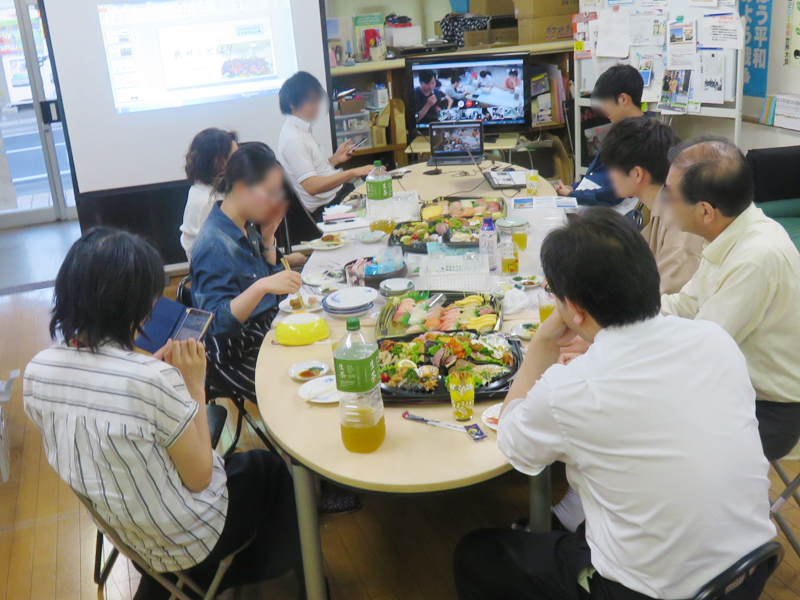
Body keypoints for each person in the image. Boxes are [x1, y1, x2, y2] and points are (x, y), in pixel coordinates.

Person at [453, 208, 775, 600]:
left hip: (651, 593)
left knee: (475, 553)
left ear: (574, 309)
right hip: (750, 570)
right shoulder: (713, 339)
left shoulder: (574, 387)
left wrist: (541, 344)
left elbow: (513, 443)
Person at [23, 228, 303, 600]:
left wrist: (155, 375)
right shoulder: (150, 381)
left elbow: (101, 413)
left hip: (129, 537)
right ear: (134, 305)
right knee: (268, 469)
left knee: (239, 467)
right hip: (189, 541)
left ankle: (172, 584)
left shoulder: (39, 370)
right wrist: (193, 384)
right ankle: (299, 578)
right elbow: (201, 477)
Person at [661, 138, 800, 461]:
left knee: (639, 429)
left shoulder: (755, 258)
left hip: (769, 410)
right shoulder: (732, 232)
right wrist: (617, 319)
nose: (665, 201)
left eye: (670, 195)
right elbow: (684, 306)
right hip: (734, 387)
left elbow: (700, 351)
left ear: (705, 211)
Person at [191, 142, 302, 403]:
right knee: (297, 393)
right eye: (270, 193)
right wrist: (262, 286)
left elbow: (273, 292)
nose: (275, 201)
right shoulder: (213, 244)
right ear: (241, 188)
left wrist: (268, 241)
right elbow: (215, 323)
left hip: (263, 329)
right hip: (235, 352)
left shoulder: (245, 225)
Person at [598, 117, 704, 293]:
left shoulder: (679, 224)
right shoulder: (654, 203)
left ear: (637, 174)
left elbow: (665, 297)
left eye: (612, 168)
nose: (609, 176)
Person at [277, 71, 372, 218]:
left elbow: (315, 170)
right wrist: (353, 172)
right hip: (327, 207)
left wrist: (335, 159)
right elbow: (311, 186)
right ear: (292, 103)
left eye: (317, 100)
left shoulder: (301, 129)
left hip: (336, 195)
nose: (317, 106)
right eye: (311, 101)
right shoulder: (294, 140)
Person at [556, 64, 644, 207]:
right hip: (590, 201)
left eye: (606, 102)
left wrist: (573, 195)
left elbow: (614, 193)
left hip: (609, 212)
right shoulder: (618, 130)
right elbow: (595, 174)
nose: (603, 108)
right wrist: (573, 188)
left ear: (623, 99)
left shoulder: (640, 138)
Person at [180, 128, 238, 260]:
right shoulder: (209, 201)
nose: (240, 160)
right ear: (220, 162)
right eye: (235, 156)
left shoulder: (200, 189)